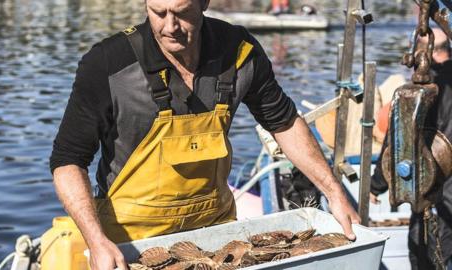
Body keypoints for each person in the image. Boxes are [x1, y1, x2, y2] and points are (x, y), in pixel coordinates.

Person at [50, 0, 360, 269]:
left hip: (219, 240)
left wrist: (335, 193)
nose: (169, 26)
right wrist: (97, 240)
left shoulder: (239, 52)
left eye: (182, 13)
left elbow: (284, 123)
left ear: (204, 3)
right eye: (158, 12)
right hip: (130, 242)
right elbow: (67, 161)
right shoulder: (107, 62)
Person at [370, 28, 452, 269]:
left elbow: (398, 141)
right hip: (433, 187)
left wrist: (376, 185)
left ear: (423, 53)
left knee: (426, 252)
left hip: (434, 188)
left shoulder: (417, 93)